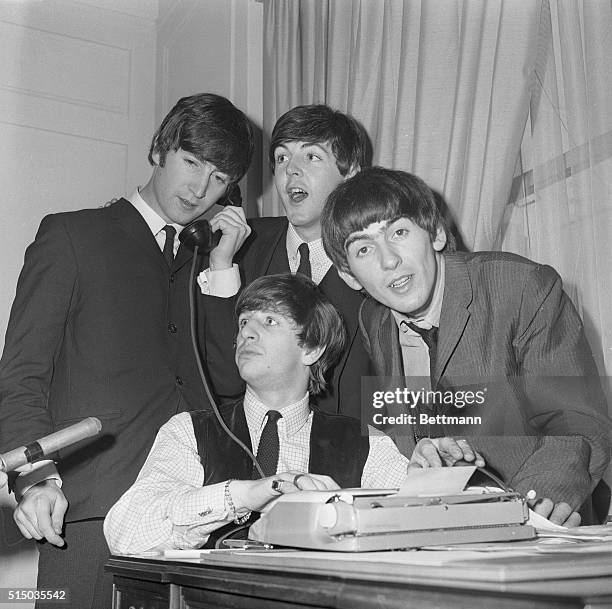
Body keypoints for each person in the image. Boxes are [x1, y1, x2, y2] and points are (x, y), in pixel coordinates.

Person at [0, 93, 253, 608]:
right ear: (160, 150)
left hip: (192, 515)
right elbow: (23, 373)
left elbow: (226, 385)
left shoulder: (206, 262)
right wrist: (34, 481)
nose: (201, 189)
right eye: (192, 163)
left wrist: (224, 272)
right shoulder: (72, 234)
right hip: (88, 511)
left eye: (220, 178)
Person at [104, 273, 483, 553]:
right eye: (243, 323)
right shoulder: (189, 431)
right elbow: (125, 533)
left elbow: (421, 527)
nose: (246, 334)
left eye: (269, 322)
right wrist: (245, 495)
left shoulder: (364, 442)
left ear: (312, 349)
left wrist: (430, 481)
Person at [321, 166, 611, 527]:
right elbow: (411, 433)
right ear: (349, 275)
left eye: (398, 231)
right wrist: (425, 463)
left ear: (437, 233)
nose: (388, 260)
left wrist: (517, 513)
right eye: (363, 249)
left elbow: (577, 424)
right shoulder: (373, 321)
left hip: (544, 523)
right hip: (449, 530)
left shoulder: (522, 286)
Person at [202, 104, 373, 418]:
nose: (290, 169)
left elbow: (407, 383)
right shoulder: (235, 248)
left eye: (311, 156)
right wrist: (220, 269)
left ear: (350, 175)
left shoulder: (380, 257)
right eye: (282, 157)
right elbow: (220, 381)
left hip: (354, 455)